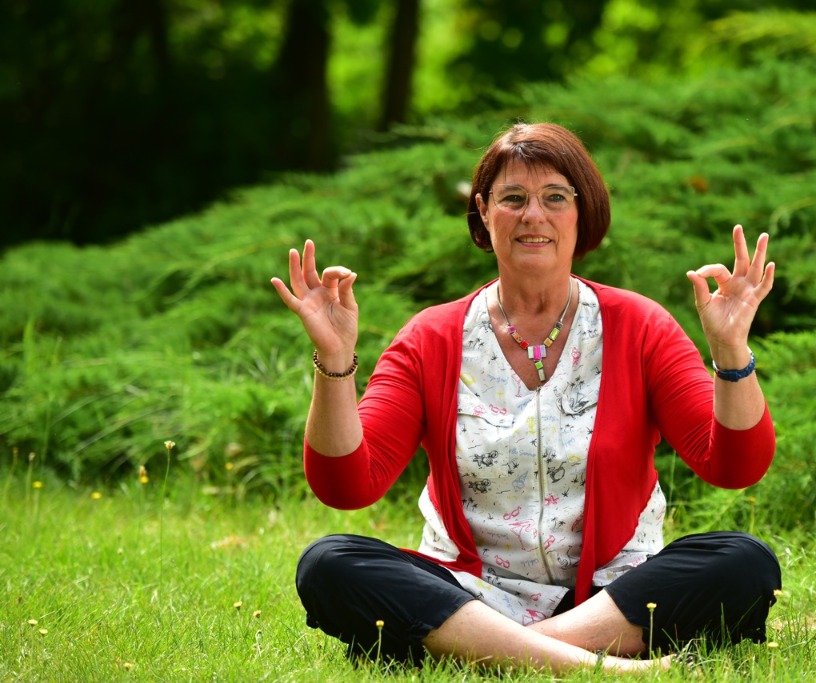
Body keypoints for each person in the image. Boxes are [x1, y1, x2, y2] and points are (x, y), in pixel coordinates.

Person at [271, 122, 780, 674]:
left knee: (744, 561)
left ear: (582, 213)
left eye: (555, 197)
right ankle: (602, 667)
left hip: (611, 596)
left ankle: (481, 650)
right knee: (329, 563)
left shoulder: (639, 325)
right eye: (513, 198)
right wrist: (335, 361)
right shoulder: (430, 337)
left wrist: (731, 350)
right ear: (484, 213)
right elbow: (346, 485)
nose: (533, 215)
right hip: (468, 592)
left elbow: (734, 466)